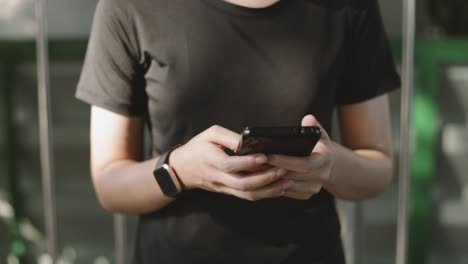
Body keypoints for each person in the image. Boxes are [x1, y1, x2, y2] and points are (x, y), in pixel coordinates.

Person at [75, 0, 400, 263]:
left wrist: (328, 167)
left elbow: (377, 166)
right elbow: (109, 182)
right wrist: (178, 170)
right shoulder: (129, 7)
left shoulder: (348, 7)